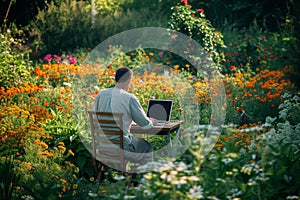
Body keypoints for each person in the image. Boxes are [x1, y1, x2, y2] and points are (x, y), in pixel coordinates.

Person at [92, 67, 156, 165]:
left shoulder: (101, 94)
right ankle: (141, 177)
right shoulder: (129, 98)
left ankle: (120, 175)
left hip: (103, 146)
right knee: (146, 146)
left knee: (131, 141)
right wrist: (152, 121)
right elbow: (146, 125)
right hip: (122, 148)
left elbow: (94, 119)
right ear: (129, 80)